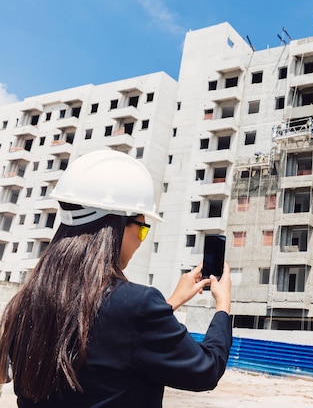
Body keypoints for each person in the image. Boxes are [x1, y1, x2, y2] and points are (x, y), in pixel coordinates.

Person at [0, 150, 232, 407]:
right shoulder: (137, 304)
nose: (141, 242)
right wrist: (223, 307)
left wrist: (171, 302)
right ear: (118, 227)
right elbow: (206, 369)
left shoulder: (28, 300)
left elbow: (102, 330)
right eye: (143, 229)